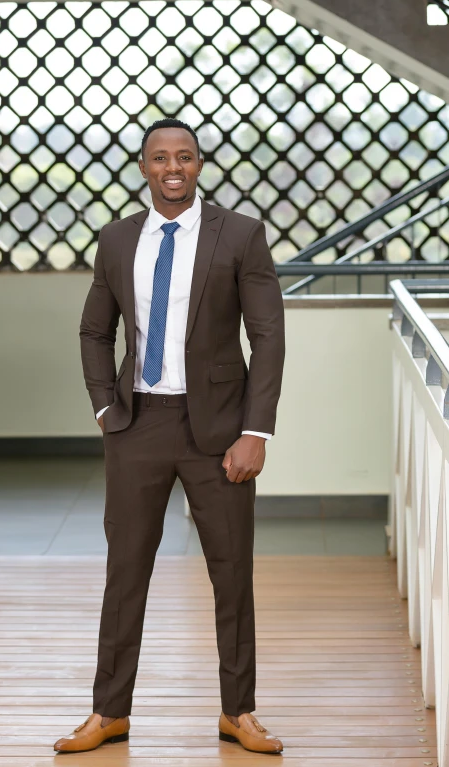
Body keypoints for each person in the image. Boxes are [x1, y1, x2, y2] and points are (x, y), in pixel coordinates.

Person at [54, 118, 285, 755]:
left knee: (231, 573)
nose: (173, 167)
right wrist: (106, 409)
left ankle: (239, 711)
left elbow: (267, 337)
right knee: (125, 572)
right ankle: (109, 712)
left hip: (219, 431)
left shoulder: (239, 234)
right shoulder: (116, 240)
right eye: (161, 158)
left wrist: (255, 430)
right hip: (138, 425)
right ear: (144, 167)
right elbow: (94, 331)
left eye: (184, 156)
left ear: (200, 164)